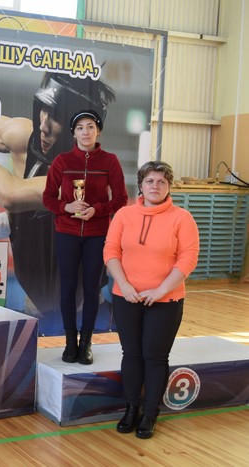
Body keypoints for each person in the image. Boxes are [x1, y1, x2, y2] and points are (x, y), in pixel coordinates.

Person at [0, 73, 117, 330]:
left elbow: (9, 194)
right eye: (43, 110)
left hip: (84, 318)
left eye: (56, 117)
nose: (44, 125)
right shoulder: (24, 136)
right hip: (35, 312)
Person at [103, 161, 199, 439]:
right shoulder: (124, 215)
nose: (155, 186)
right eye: (149, 181)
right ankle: (131, 408)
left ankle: (150, 413)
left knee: (155, 357)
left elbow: (188, 258)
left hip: (166, 300)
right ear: (141, 185)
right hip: (127, 297)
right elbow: (111, 250)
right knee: (131, 354)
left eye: (161, 182)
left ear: (169, 187)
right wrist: (124, 285)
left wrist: (160, 290)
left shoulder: (182, 218)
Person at [42, 109, 127, 364]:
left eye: (90, 127)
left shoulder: (110, 161)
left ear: (98, 131)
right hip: (66, 233)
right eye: (80, 128)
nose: (85, 132)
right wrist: (66, 207)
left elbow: (121, 199)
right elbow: (48, 198)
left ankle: (86, 342)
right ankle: (70, 342)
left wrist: (97, 210)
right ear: (74, 134)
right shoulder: (62, 161)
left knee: (91, 289)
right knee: (67, 289)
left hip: (97, 234)